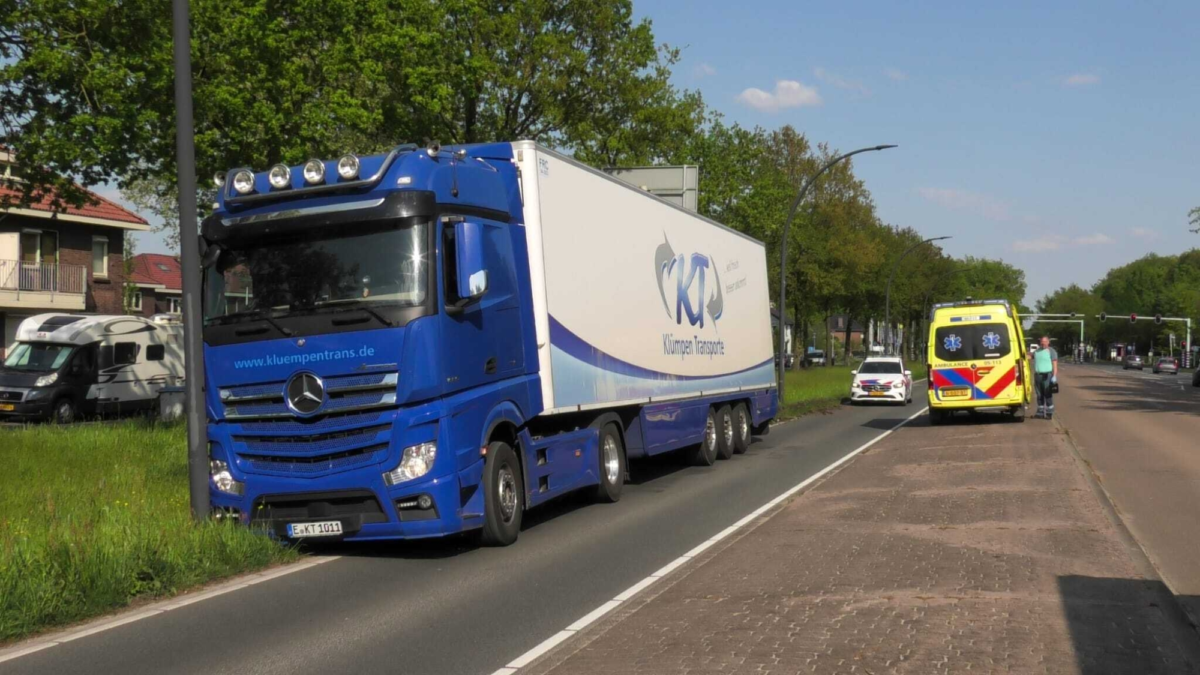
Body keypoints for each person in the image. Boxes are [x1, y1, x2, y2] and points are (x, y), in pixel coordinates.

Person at [1033, 336, 1058, 419]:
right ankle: (1040, 412)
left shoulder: (1051, 351)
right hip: (1038, 375)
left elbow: (1055, 365)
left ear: (1048, 342)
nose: (1043, 343)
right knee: (1039, 394)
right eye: (1041, 342)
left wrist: (1054, 376)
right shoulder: (1037, 351)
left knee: (1047, 394)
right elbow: (1029, 356)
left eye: (1044, 342)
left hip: (1047, 375)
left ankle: (1049, 412)